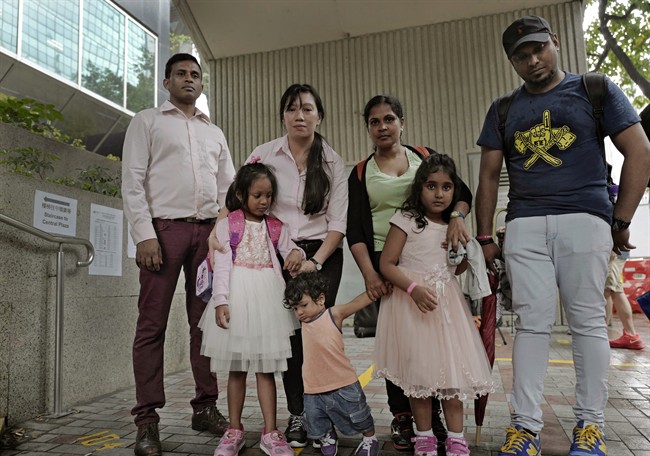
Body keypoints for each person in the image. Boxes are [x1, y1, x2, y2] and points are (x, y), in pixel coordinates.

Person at [475, 16, 650, 456]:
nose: (532, 60)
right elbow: (489, 177)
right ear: (511, 61)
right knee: (530, 327)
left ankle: (590, 427)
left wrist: (621, 220)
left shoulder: (594, 89)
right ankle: (524, 428)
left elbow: (640, 150)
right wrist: (484, 238)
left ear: (554, 42)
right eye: (521, 55)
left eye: (538, 49)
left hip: (586, 218)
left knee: (588, 322)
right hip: (525, 224)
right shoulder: (503, 108)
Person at [209, 83, 348, 447]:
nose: (299, 116)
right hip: (276, 254)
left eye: (307, 109)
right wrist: (216, 232)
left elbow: (338, 225)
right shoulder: (263, 154)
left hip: (321, 253)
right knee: (289, 341)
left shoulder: (332, 161)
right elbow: (235, 197)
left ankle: (326, 415)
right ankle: (298, 416)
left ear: (319, 115)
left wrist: (315, 262)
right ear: (283, 115)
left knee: (320, 337)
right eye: (291, 109)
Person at [122, 53, 236, 456]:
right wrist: (143, 235)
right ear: (167, 81)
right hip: (163, 232)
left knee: (204, 324)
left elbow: (229, 190)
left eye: (195, 75)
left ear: (202, 83)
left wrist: (224, 237)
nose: (189, 79)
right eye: (181, 74)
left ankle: (205, 407)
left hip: (208, 235)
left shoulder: (214, 133)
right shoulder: (147, 122)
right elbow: (132, 182)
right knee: (151, 324)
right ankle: (147, 421)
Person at [347, 95, 474, 453]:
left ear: (401, 121)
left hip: (432, 254)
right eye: (374, 121)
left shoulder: (424, 156)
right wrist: (371, 273)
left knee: (431, 341)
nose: (383, 126)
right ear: (368, 128)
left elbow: (462, 195)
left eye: (389, 119)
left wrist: (456, 221)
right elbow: (354, 229)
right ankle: (405, 415)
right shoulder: (360, 172)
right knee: (401, 341)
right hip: (388, 261)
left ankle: (433, 419)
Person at [375, 154, 494, 456]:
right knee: (420, 377)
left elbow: (458, 270)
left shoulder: (455, 227)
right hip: (413, 308)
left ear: (455, 191)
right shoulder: (406, 220)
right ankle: (424, 436)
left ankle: (456, 437)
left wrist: (462, 256)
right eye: (431, 186)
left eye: (446, 187)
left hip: (447, 309)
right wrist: (412, 289)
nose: (439, 193)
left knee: (451, 376)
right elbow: (387, 264)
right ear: (419, 188)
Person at [202, 162, 309, 456]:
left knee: (266, 369)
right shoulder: (228, 224)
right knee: (236, 369)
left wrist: (297, 253)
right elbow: (221, 265)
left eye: (268, 195)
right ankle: (234, 430)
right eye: (257, 195)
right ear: (240, 195)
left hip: (267, 300)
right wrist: (221, 299)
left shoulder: (276, 227)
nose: (264, 201)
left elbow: (290, 251)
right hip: (237, 297)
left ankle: (270, 432)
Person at [283, 272, 378, 456]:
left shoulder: (333, 315)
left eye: (303, 305)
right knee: (316, 418)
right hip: (313, 387)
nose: (299, 312)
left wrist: (377, 289)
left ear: (320, 299)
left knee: (359, 415)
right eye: (295, 308)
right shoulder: (302, 323)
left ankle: (369, 439)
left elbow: (357, 303)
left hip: (344, 383)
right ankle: (327, 435)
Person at [604, 251, 645, 350]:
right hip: (616, 251)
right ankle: (631, 335)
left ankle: (599, 333)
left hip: (613, 251)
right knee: (615, 290)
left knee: (607, 290)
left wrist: (612, 248)